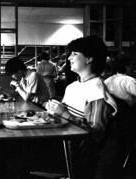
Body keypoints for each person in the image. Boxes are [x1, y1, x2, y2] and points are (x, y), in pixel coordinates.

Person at [45, 36, 119, 179]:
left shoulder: (97, 90)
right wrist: (53, 109)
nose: (69, 58)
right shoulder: (73, 86)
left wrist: (64, 113)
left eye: (74, 54)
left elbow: (96, 132)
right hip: (64, 144)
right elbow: (62, 114)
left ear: (89, 59)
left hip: (80, 155)